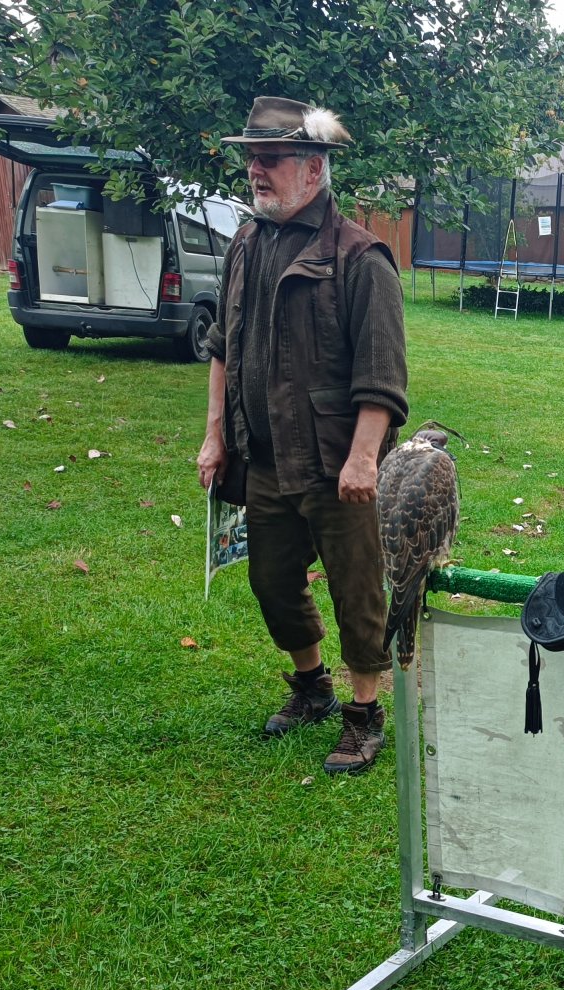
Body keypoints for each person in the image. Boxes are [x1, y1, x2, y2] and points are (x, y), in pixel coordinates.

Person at [196, 96, 408, 774]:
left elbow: (382, 376)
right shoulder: (246, 244)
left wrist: (363, 458)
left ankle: (364, 714)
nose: (255, 171)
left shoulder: (361, 257)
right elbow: (223, 346)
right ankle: (313, 687)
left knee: (357, 590)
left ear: (313, 168)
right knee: (270, 580)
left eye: (270, 159)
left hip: (335, 465)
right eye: (251, 160)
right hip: (264, 459)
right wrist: (215, 436)